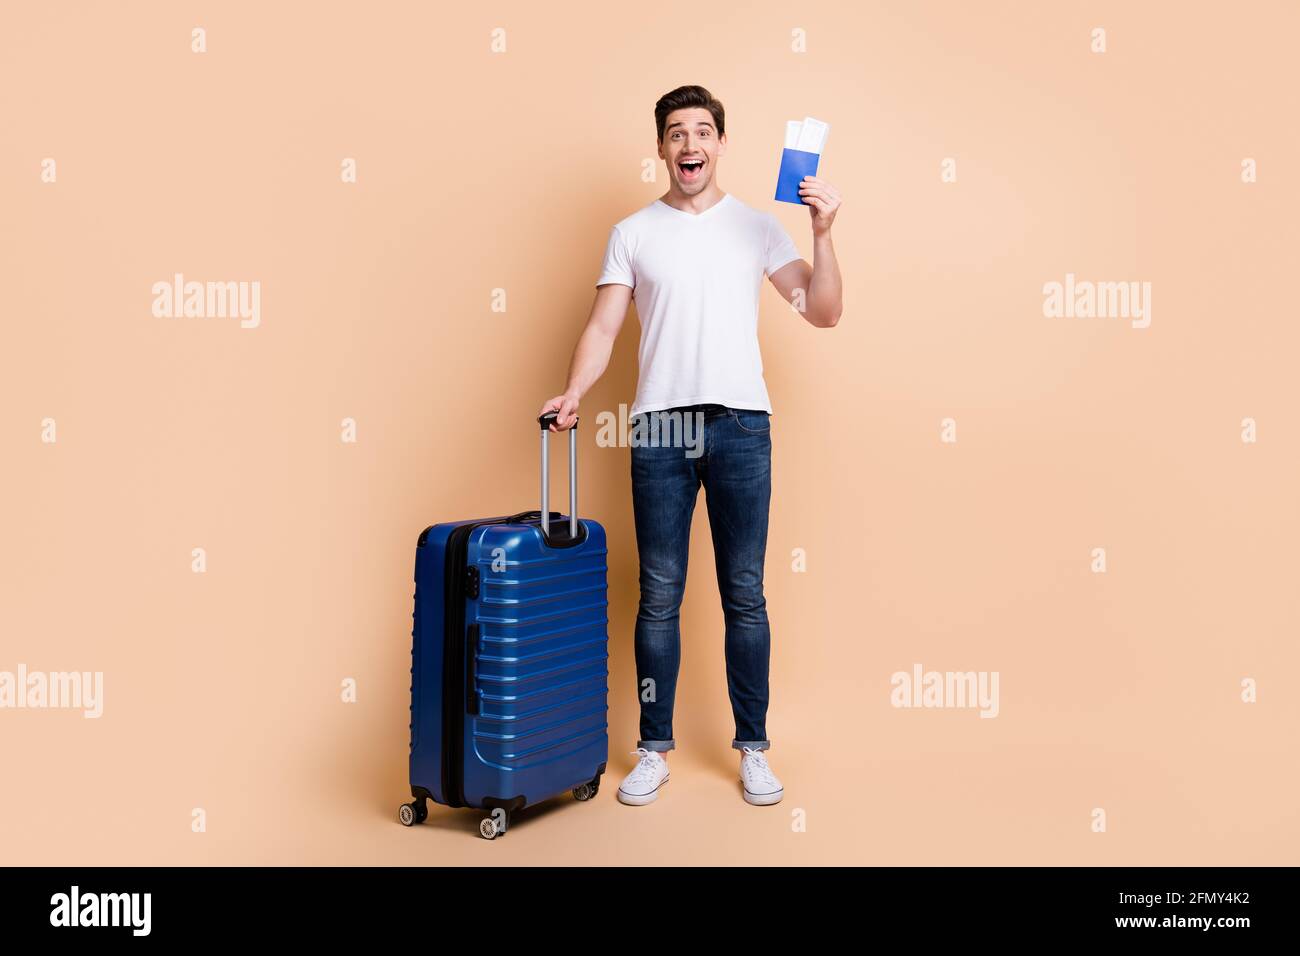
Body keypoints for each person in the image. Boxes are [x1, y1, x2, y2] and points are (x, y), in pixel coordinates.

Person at [538, 85, 843, 807]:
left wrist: (823, 234)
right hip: (661, 428)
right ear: (661, 149)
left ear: (721, 145)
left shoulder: (760, 229)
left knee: (745, 593)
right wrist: (576, 391)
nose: (689, 145)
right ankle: (652, 748)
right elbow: (604, 327)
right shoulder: (633, 232)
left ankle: (754, 748)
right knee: (660, 596)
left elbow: (824, 313)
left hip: (741, 425)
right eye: (675, 133)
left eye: (702, 132)